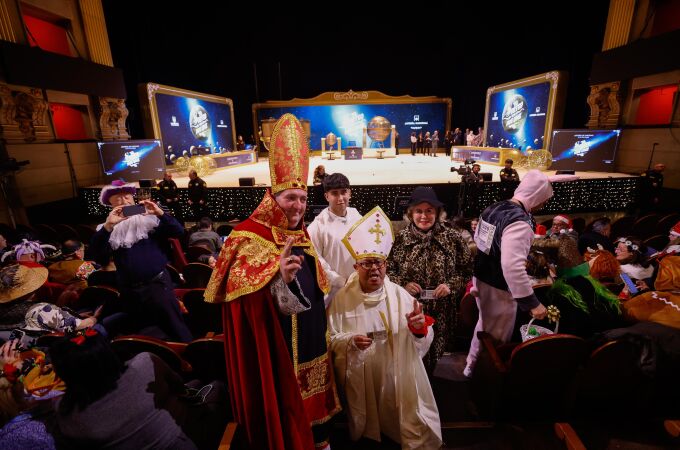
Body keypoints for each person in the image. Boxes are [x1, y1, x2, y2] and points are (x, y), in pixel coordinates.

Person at [204, 114, 340, 450]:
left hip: (311, 340)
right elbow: (243, 307)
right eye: (289, 197)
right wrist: (277, 279)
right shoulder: (246, 236)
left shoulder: (300, 234)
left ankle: (318, 437)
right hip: (276, 347)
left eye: (303, 198)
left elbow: (318, 284)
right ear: (273, 197)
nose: (297, 206)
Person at [329, 206, 442, 449]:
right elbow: (330, 338)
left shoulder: (399, 296)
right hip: (362, 371)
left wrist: (419, 329)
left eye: (379, 263)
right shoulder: (341, 300)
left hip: (393, 371)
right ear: (355, 267)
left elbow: (422, 336)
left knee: (395, 417)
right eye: (367, 263)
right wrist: (349, 341)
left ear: (386, 265)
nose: (374, 269)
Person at [465, 170, 569, 377]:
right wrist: (532, 303)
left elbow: (480, 241)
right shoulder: (519, 221)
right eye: (543, 200)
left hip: (482, 277)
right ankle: (483, 380)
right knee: (496, 338)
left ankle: (471, 366)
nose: (543, 205)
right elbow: (512, 267)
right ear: (537, 196)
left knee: (484, 325)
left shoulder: (495, 207)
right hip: (498, 287)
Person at [50, 331, 211, 450]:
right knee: (216, 385)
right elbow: (179, 385)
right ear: (109, 353)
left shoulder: (65, 413)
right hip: (187, 439)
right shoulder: (144, 363)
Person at [90, 180, 192, 342]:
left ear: (133, 199)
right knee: (143, 332)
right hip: (129, 291)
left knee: (175, 327)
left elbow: (178, 231)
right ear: (110, 204)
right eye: (118, 198)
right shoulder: (106, 229)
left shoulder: (149, 220)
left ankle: (188, 356)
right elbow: (98, 256)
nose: (124, 201)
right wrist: (108, 227)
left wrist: (160, 213)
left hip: (157, 285)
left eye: (127, 197)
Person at [388, 187, 472, 372]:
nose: (424, 216)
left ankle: (429, 387)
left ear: (437, 213)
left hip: (442, 310)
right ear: (410, 214)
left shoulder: (452, 237)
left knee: (435, 354)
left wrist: (450, 285)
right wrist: (403, 284)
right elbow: (389, 270)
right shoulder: (400, 239)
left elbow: (466, 270)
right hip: (410, 308)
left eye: (429, 211)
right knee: (411, 354)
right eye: (418, 211)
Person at [307, 173, 363, 305]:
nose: (341, 198)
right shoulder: (318, 226)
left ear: (350, 193)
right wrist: (339, 281)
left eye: (344, 192)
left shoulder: (357, 216)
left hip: (359, 286)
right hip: (334, 292)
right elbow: (316, 260)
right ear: (327, 196)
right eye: (335, 193)